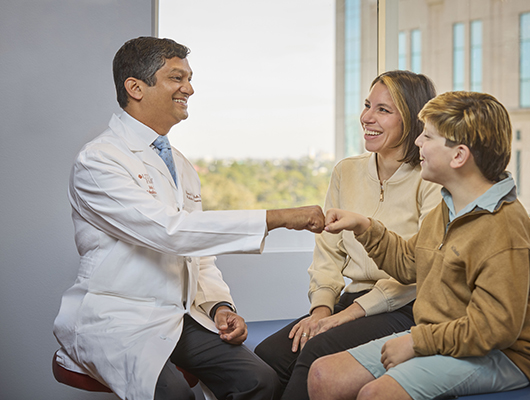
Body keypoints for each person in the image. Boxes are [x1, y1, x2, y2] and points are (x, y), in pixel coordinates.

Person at [52, 36, 325, 400]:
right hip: (118, 316)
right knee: (176, 395)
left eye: (189, 78)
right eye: (177, 78)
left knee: (259, 379)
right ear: (135, 87)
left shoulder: (179, 163)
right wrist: (275, 218)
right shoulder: (99, 160)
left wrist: (219, 305)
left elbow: (196, 252)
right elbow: (170, 232)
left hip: (177, 317)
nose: (190, 89)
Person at [307, 91, 530, 400]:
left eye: (428, 137)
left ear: (458, 156)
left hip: (503, 355)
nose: (418, 143)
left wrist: (415, 342)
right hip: (441, 337)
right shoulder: (448, 209)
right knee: (323, 376)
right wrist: (364, 226)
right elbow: (410, 263)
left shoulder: (505, 232)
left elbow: (494, 329)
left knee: (376, 395)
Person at [254, 70, 440, 400]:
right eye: (368, 105)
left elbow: (421, 270)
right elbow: (328, 253)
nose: (367, 117)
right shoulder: (346, 171)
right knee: (270, 356)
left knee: (317, 353)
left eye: (383, 110)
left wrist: (345, 317)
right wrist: (322, 310)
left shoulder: (431, 179)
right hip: (350, 301)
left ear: (411, 119)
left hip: (406, 309)